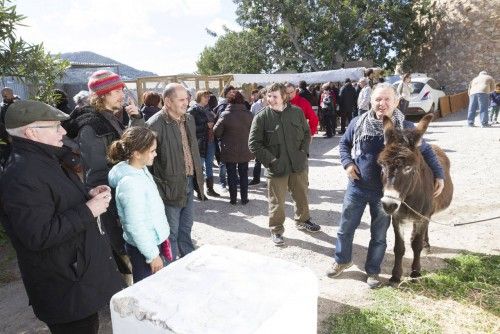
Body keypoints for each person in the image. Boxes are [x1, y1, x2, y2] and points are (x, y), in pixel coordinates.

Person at [0, 100, 123, 333]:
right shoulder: (21, 175)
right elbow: (38, 235)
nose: (64, 131)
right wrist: (89, 210)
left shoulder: (44, 158)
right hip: (64, 289)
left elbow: (53, 198)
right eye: (55, 126)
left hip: (75, 279)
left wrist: (87, 195)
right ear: (31, 132)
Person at [326, 83, 445, 288]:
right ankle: (342, 259)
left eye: (387, 99)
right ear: (370, 101)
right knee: (345, 228)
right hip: (357, 187)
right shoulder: (358, 122)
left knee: (379, 235)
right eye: (378, 99)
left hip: (386, 193)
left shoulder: (406, 128)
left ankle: (373, 271)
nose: (382, 104)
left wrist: (440, 175)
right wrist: (347, 164)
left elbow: (426, 152)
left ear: (396, 101)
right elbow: (344, 145)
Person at [65, 70, 143, 280]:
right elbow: (100, 174)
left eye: (121, 89)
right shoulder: (92, 125)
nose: (122, 94)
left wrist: (135, 119)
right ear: (102, 95)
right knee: (120, 249)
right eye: (115, 90)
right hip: (111, 201)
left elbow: (128, 145)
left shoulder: (108, 118)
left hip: (120, 195)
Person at [249, 83, 321, 246]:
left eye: (275, 96)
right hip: (276, 168)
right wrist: (272, 161)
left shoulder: (296, 112)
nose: (271, 99)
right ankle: (276, 230)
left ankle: (303, 220)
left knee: (301, 195)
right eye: (269, 96)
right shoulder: (261, 117)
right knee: (277, 201)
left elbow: (306, 132)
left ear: (284, 96)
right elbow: (254, 143)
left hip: (297, 164)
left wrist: (303, 153)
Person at [146, 83, 204, 262]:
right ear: (168, 101)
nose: (186, 102)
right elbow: (146, 161)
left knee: (186, 227)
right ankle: (169, 266)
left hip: (188, 181)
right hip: (168, 186)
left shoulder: (189, 119)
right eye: (181, 99)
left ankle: (188, 259)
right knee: (170, 231)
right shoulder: (154, 124)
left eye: (187, 98)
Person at [108, 127, 170, 283]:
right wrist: (152, 255)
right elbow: (135, 225)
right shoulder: (130, 184)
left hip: (152, 242)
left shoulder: (140, 169)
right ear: (136, 153)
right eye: (152, 151)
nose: (155, 154)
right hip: (144, 249)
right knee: (148, 292)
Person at [214, 91, 254, 205]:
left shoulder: (225, 114)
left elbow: (217, 132)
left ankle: (233, 199)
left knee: (231, 175)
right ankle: (244, 199)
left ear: (229, 101)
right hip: (245, 148)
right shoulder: (249, 114)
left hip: (229, 149)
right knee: (244, 175)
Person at [188, 90, 220, 199]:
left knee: (209, 165)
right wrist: (206, 126)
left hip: (210, 141)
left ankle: (210, 189)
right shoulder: (192, 110)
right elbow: (190, 129)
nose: (208, 98)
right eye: (205, 97)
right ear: (199, 97)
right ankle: (200, 192)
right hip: (200, 143)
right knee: (199, 168)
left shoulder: (208, 109)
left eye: (208, 97)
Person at [214, 85, 237, 189]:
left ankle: (234, 179)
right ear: (226, 92)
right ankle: (223, 183)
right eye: (231, 92)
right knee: (223, 162)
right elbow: (220, 123)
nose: (233, 93)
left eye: (234, 92)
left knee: (233, 160)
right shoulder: (222, 105)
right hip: (224, 138)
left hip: (232, 137)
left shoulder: (233, 103)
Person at [249, 88, 268, 185]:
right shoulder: (255, 106)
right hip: (259, 134)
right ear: (263, 94)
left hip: (270, 134)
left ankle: (269, 180)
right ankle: (256, 179)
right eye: (267, 94)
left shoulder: (272, 104)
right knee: (258, 159)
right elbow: (251, 120)